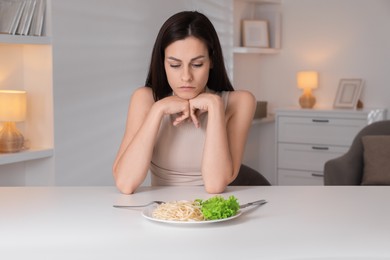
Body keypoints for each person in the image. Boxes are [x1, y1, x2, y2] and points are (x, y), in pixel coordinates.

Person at [113, 11, 256, 194]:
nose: (186, 77)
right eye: (174, 65)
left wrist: (215, 106)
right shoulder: (145, 99)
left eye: (197, 65)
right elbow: (126, 183)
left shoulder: (240, 101)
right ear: (162, 62)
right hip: (161, 213)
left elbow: (215, 185)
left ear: (211, 61)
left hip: (210, 216)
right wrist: (158, 110)